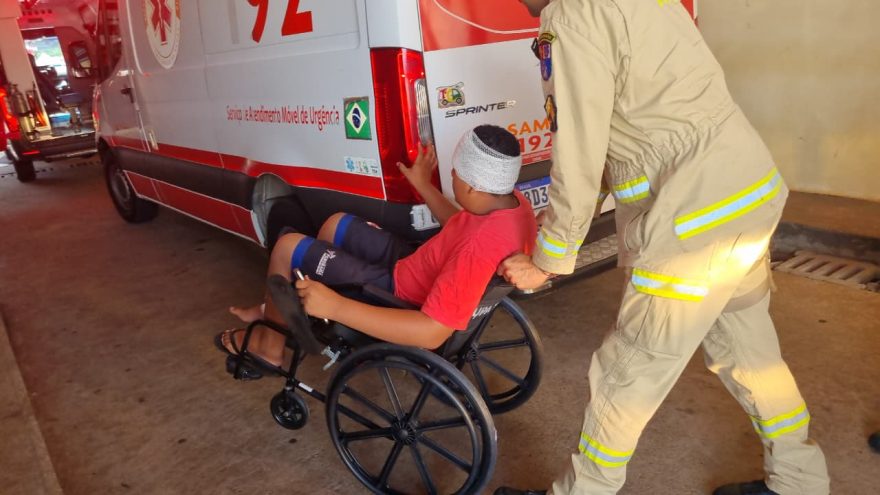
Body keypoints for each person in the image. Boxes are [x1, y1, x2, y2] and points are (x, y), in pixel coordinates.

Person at [495, 1, 829, 495]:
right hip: (744, 191)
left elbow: (580, 146)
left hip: (692, 218)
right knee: (750, 352)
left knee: (626, 373)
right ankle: (800, 482)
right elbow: (638, 113)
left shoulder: (571, 13)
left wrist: (549, 257)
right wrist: (564, 218)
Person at [217, 124, 537, 366]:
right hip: (416, 266)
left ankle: (267, 347)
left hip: (400, 293)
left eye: (454, 173)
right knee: (334, 223)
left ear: (471, 186)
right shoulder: (512, 206)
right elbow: (461, 226)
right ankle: (274, 311)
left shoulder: (475, 251)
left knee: (286, 247)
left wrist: (336, 306)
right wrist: (423, 185)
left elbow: (432, 332)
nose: (451, 175)